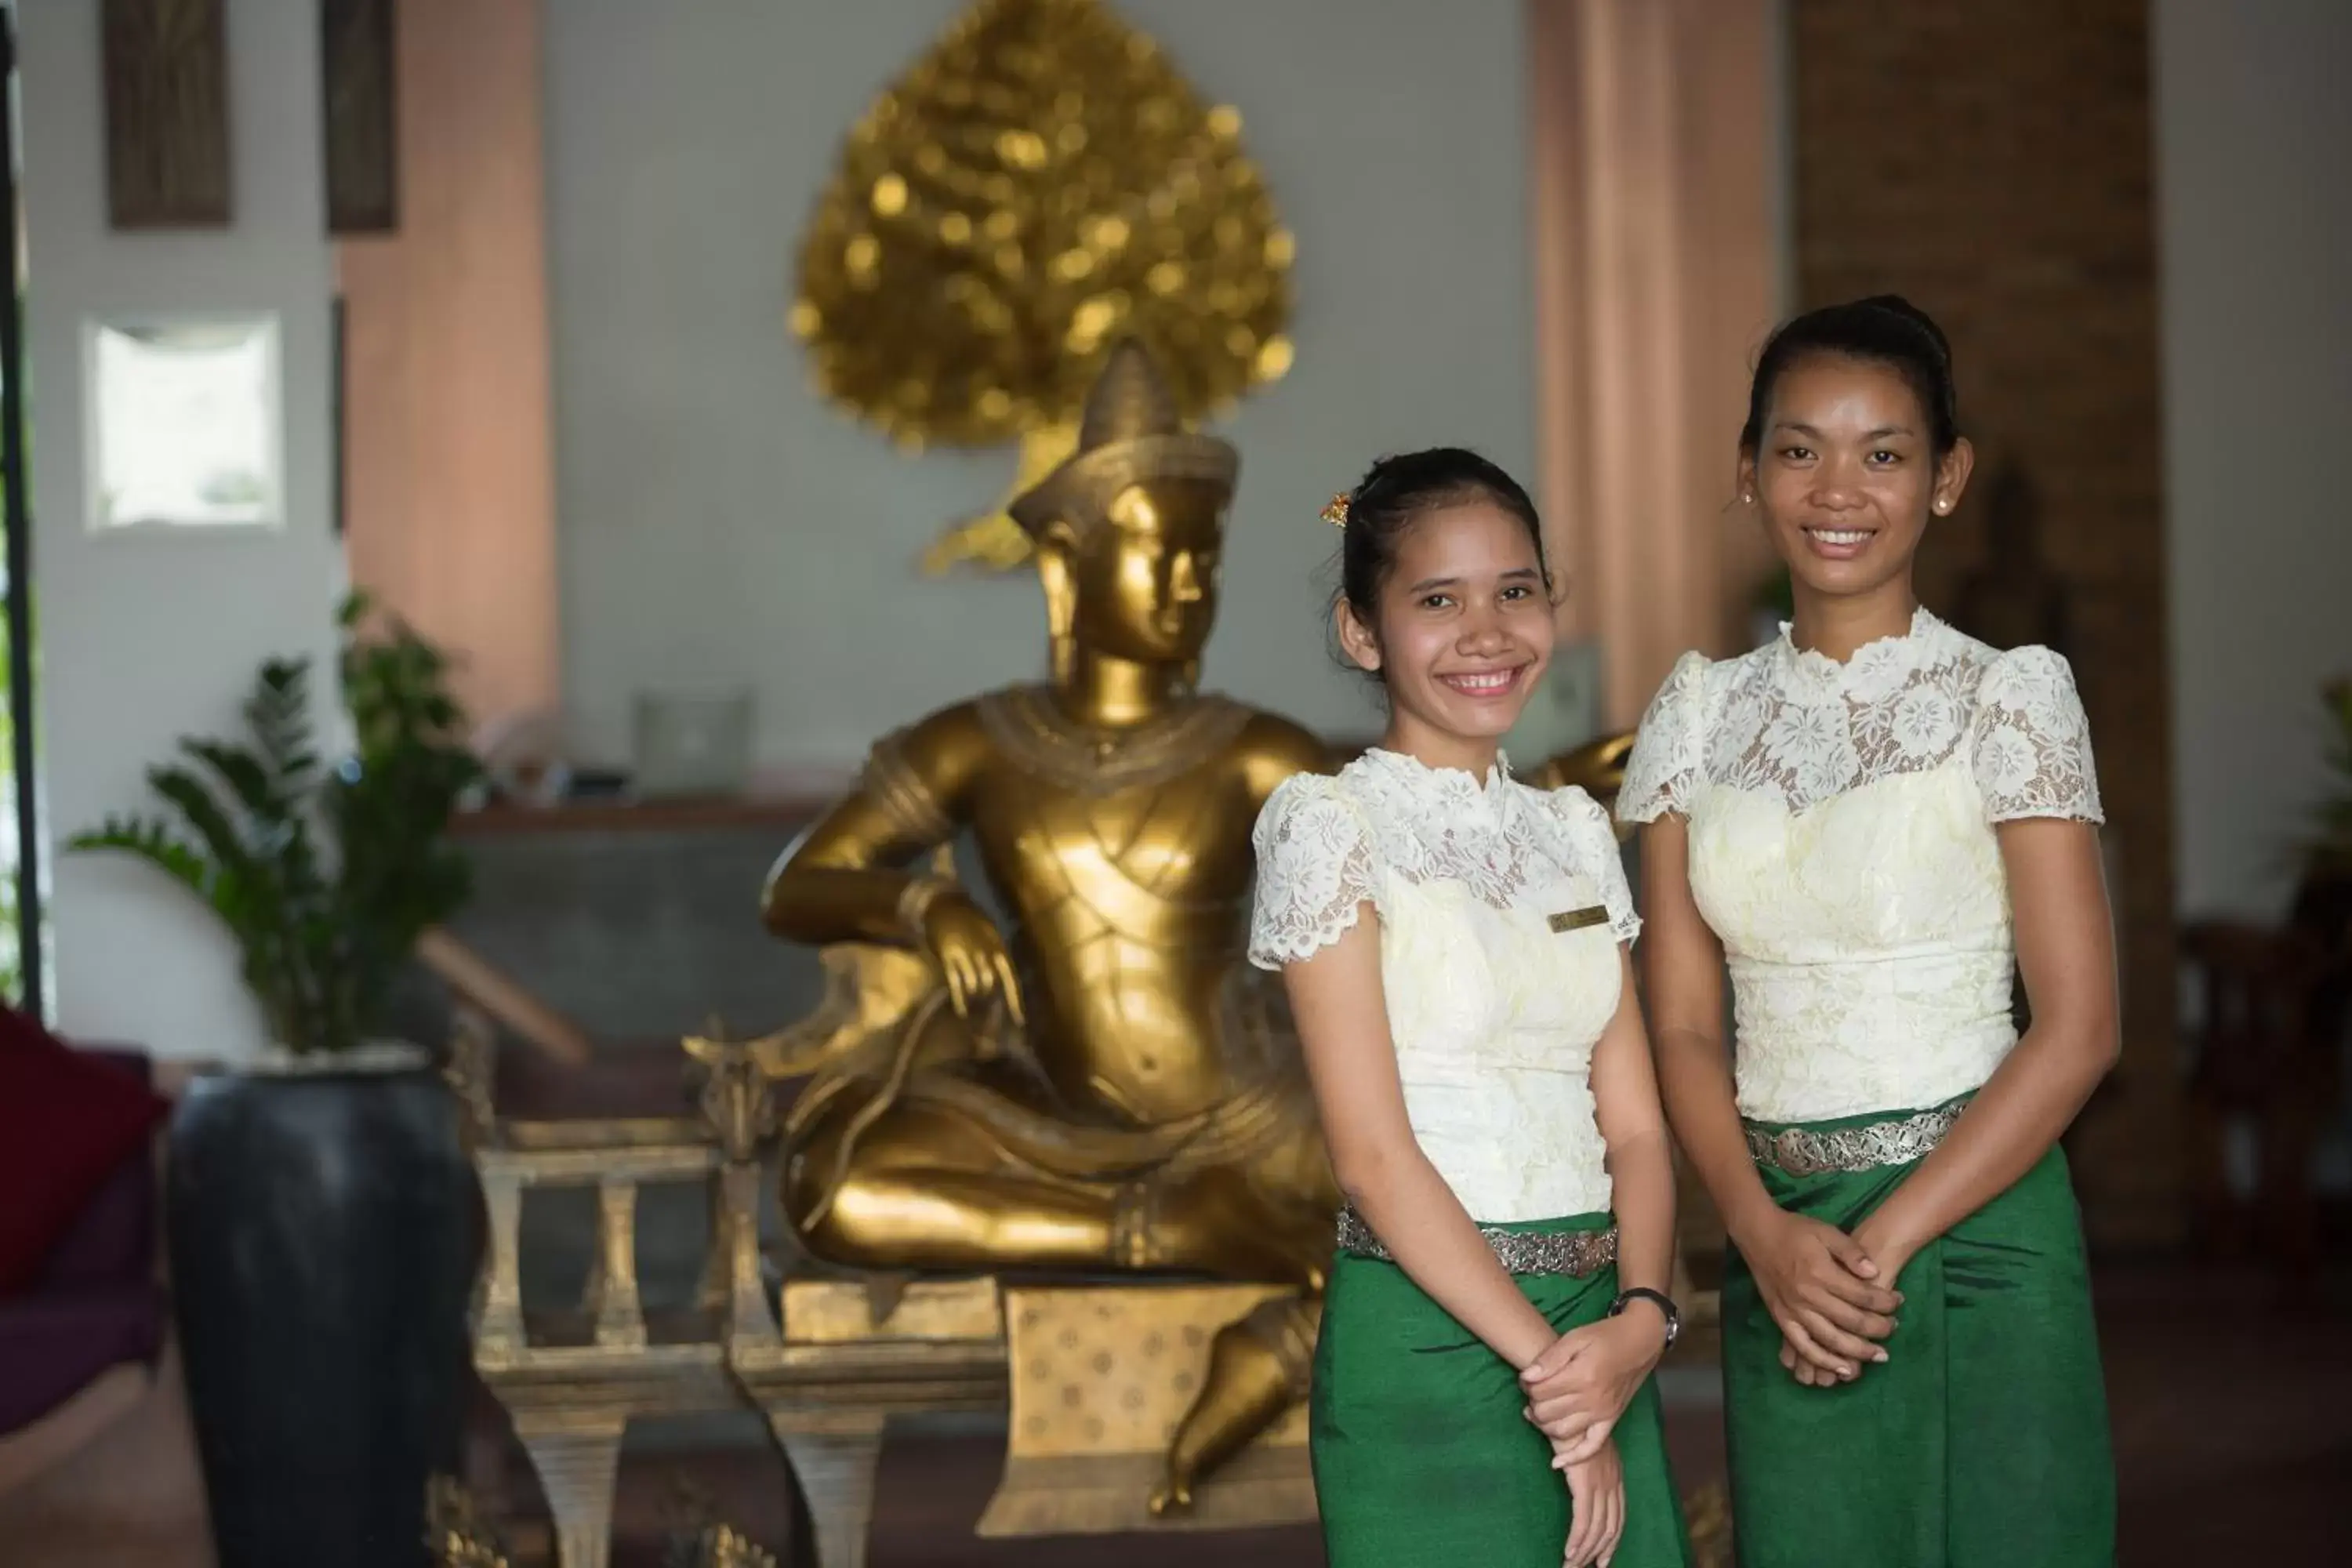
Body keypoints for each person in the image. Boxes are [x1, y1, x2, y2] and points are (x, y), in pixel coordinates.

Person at [1619, 296, 2118, 1566]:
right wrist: (1763, 1238)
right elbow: (1679, 1024)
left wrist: (1883, 1240)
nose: (1839, 489)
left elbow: (2080, 1031)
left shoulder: (2009, 696)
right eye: (1799, 449)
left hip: (1978, 1230)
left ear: (1945, 479)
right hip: (1779, 1230)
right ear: (1748, 469)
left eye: (1884, 452)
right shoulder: (1695, 714)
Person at [1250, 449, 1693, 1568]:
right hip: (1433, 1340)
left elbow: (1635, 1127)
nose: (1486, 632)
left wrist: (1641, 1323)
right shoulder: (1328, 826)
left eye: (1516, 590)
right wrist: (1558, 1382)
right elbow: (1375, 1159)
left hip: (1602, 1335)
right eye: (1437, 601)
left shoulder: (1576, 832)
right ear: (1364, 633)